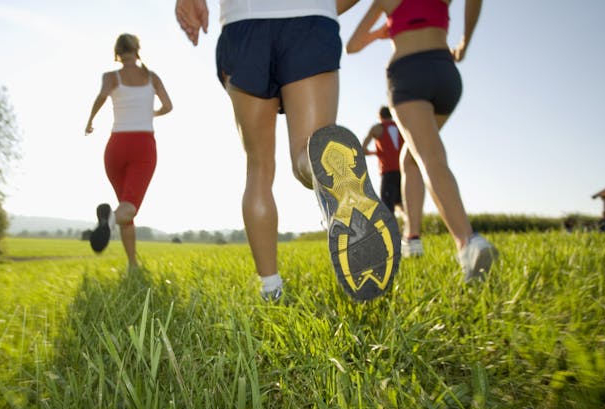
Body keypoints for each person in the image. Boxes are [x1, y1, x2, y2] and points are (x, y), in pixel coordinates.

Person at [175, 0, 400, 301]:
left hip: (244, 21)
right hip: (311, 19)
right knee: (309, 151)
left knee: (258, 166)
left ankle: (271, 288)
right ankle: (331, 167)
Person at [346, 0, 497, 281]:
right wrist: (463, 43)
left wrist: (382, 32)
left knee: (430, 158)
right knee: (411, 157)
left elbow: (352, 45)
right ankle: (412, 237)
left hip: (408, 73)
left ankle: (468, 241)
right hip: (445, 74)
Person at [85, 33, 173, 268]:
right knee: (129, 208)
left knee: (125, 205)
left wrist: (90, 120)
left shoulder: (111, 77)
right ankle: (109, 221)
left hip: (115, 147)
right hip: (143, 146)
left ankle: (132, 264)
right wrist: (151, 113)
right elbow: (168, 106)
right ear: (137, 49)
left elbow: (101, 97)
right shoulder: (151, 77)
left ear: (117, 52)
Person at [362, 105, 425, 257]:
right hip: (405, 171)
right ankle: (410, 235)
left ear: (380, 116)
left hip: (388, 172)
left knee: (387, 208)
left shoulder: (377, 128)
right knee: (402, 206)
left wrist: (377, 152)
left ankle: (392, 242)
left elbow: (362, 148)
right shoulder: (401, 126)